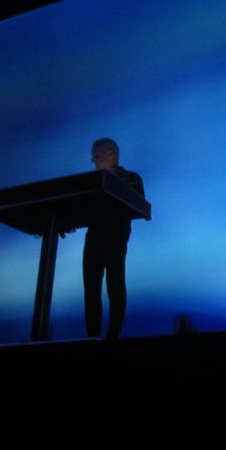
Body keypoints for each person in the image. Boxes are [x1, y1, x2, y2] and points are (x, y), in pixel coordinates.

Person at [83, 138, 144, 340]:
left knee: (115, 286)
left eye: (96, 154)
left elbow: (138, 202)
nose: (93, 159)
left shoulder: (131, 178)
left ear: (111, 154)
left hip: (116, 237)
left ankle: (112, 337)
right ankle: (93, 337)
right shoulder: (92, 180)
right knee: (91, 289)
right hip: (93, 238)